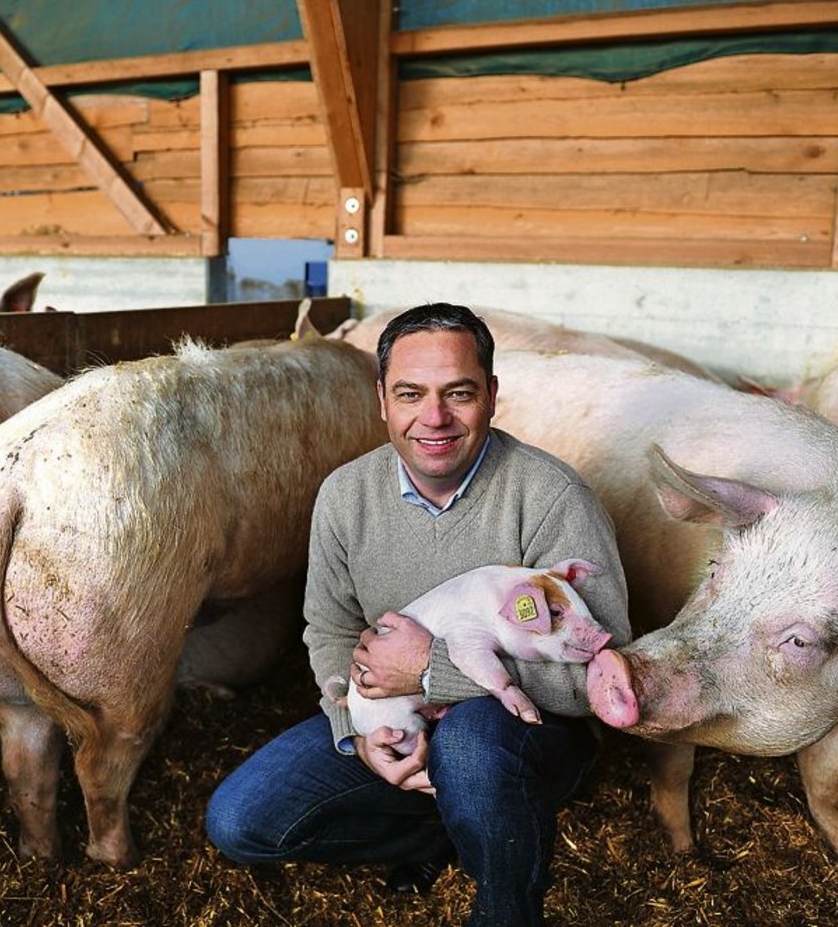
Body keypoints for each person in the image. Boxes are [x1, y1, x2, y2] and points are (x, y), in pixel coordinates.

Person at [206, 302, 631, 926]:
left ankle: (505, 905)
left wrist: (430, 671)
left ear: (490, 395)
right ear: (382, 399)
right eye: (411, 394)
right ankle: (449, 830)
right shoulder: (345, 495)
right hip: (397, 717)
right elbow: (328, 629)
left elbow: (602, 673)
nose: (433, 418)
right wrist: (357, 731)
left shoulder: (551, 498)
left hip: (530, 734)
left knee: (469, 743)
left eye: (458, 393)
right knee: (240, 822)